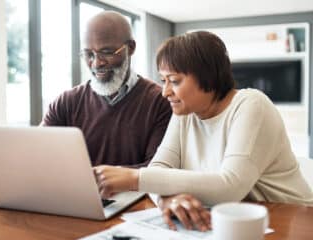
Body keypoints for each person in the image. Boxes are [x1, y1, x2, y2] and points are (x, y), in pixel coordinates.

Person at [94, 31, 313, 231]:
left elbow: (230, 187)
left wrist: (134, 178)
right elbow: (159, 168)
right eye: (163, 81)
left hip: (292, 219)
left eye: (175, 81)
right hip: (229, 219)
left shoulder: (251, 105)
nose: (165, 92)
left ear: (207, 76)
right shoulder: (185, 113)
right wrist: (166, 200)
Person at [41, 11, 172, 168]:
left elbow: (156, 170)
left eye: (107, 52)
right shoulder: (66, 102)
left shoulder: (161, 102)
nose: (96, 63)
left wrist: (91, 177)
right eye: (88, 54)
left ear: (130, 48)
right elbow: (38, 153)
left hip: (136, 193)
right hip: (73, 191)